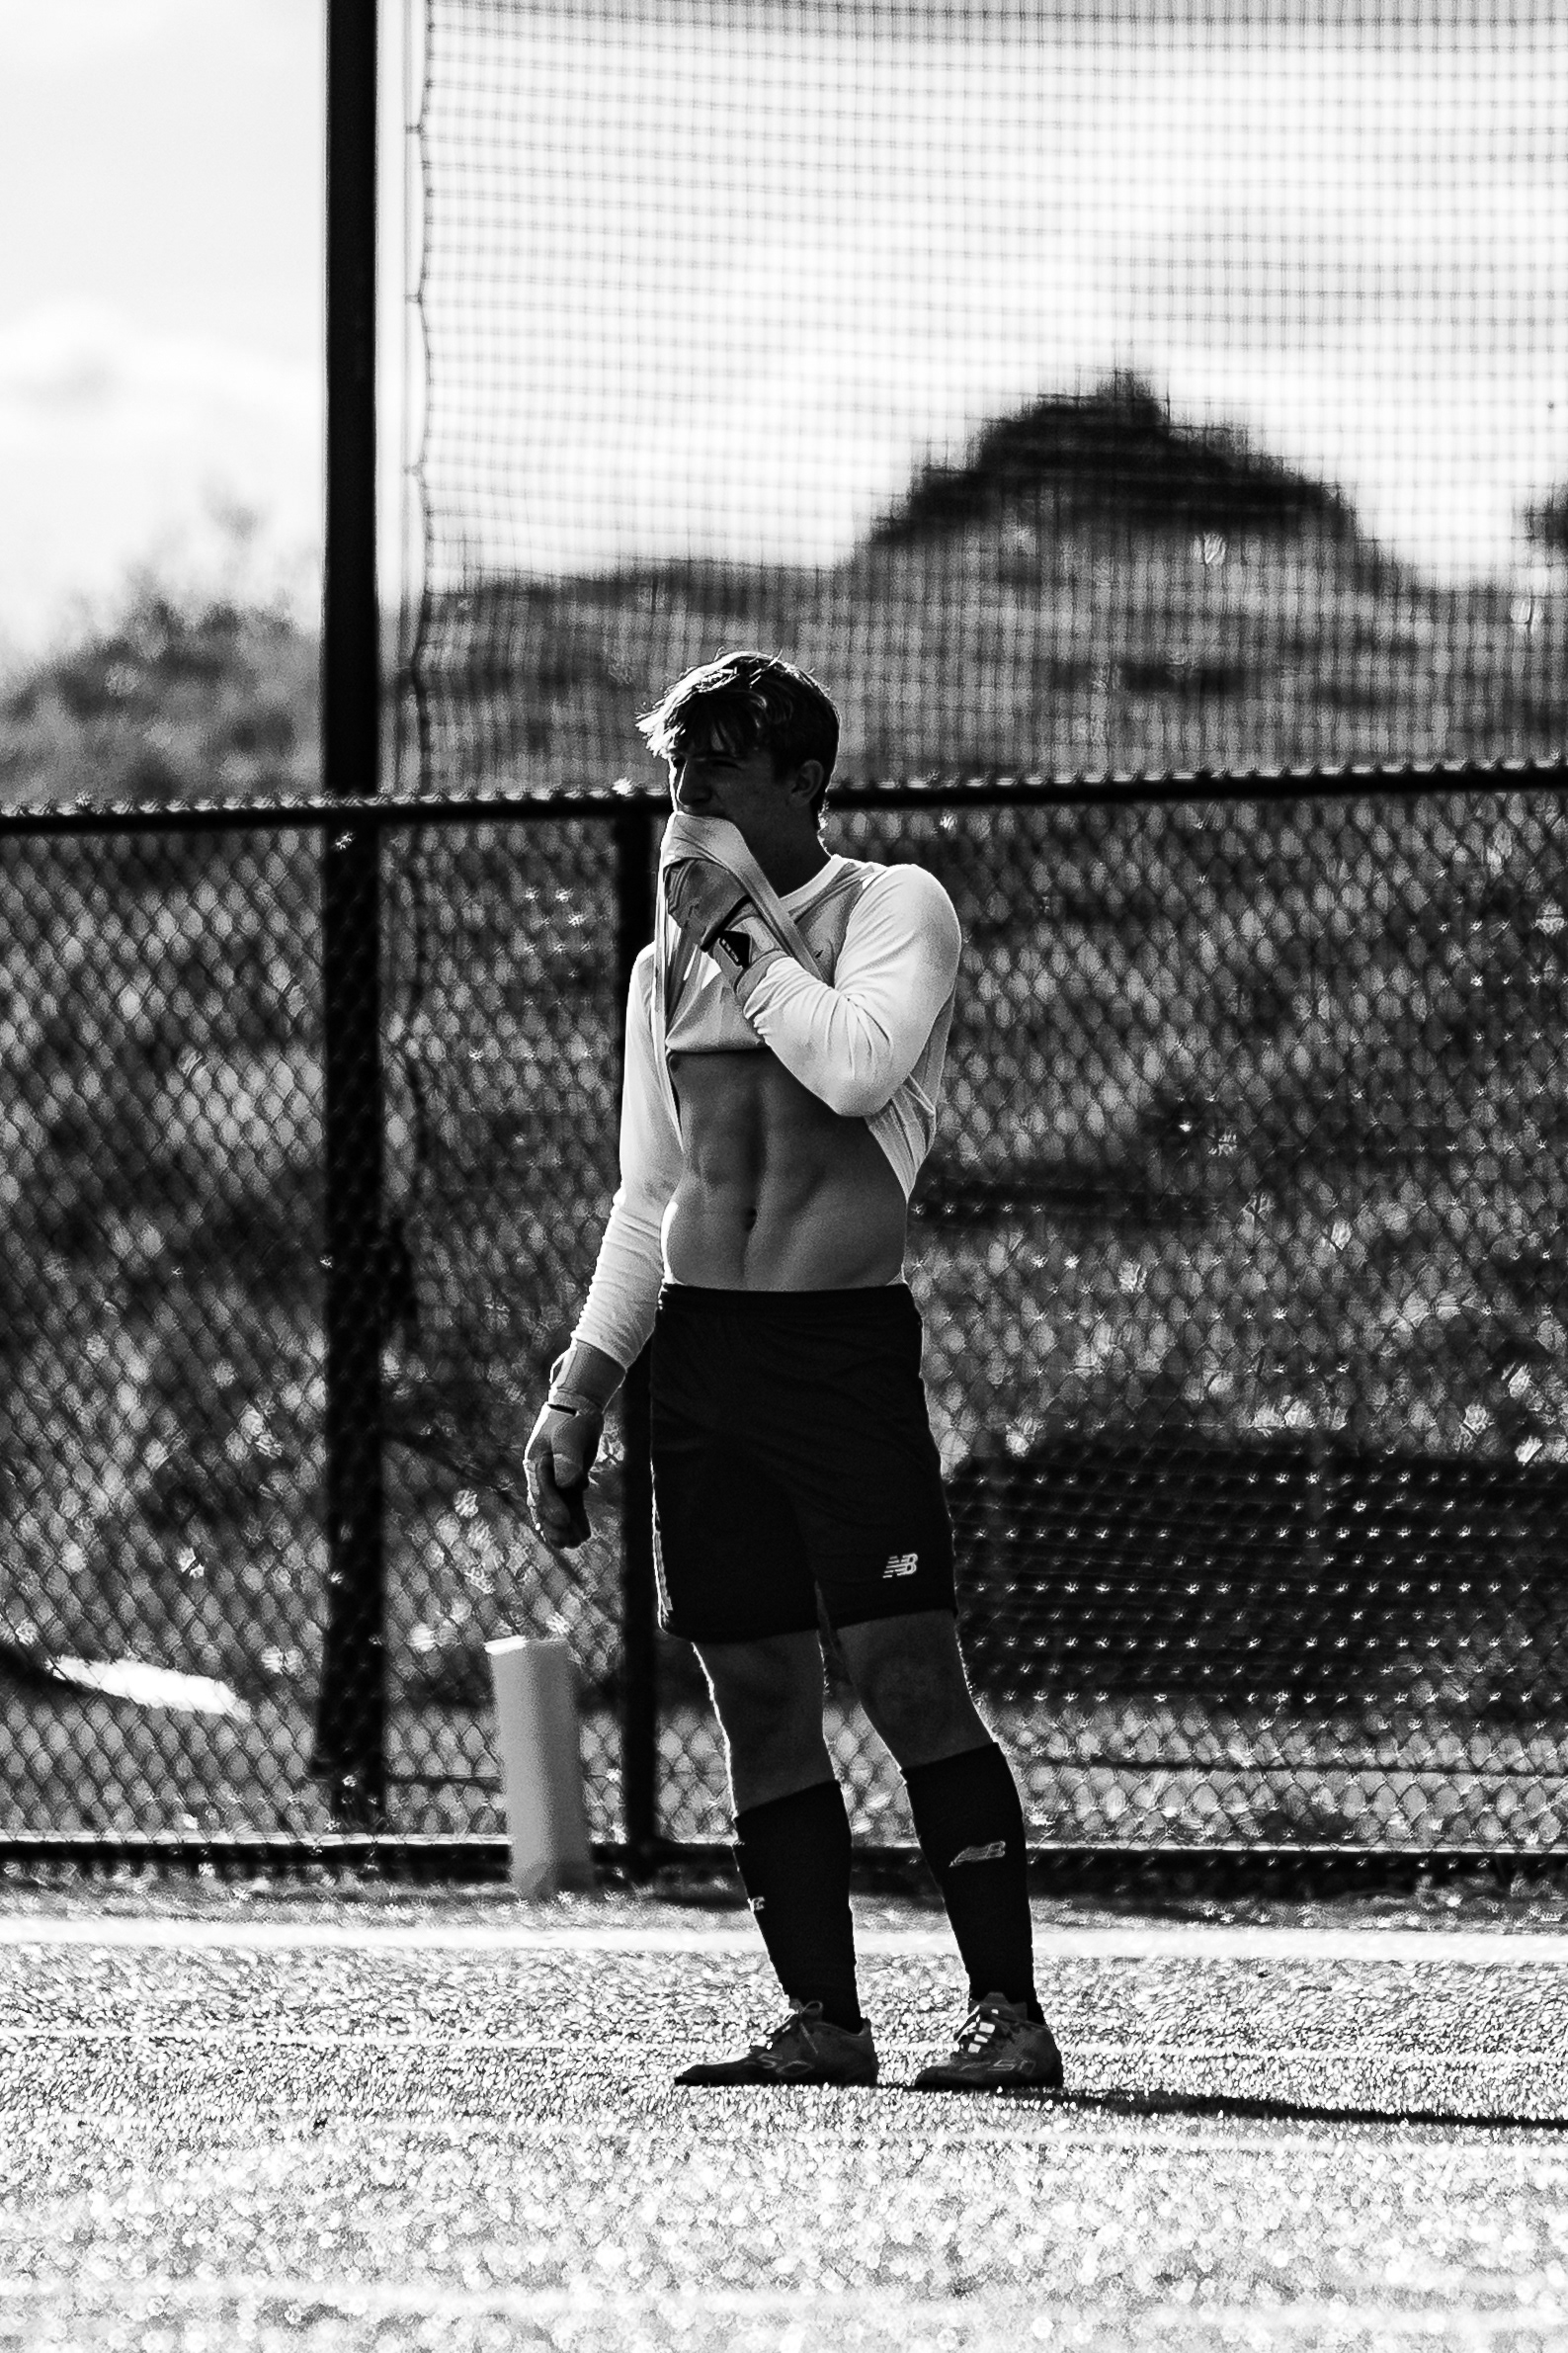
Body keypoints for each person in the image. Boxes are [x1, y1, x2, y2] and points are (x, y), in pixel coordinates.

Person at [523, 649, 1061, 2092]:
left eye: (717, 770)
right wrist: (580, 1390)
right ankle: (825, 2018)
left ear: (804, 778)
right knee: (756, 1694)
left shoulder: (892, 906)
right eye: (676, 773)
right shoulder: (664, 966)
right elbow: (650, 1195)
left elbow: (857, 1069)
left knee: (906, 1677)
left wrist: (746, 940)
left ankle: (1006, 2015)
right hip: (703, 1360)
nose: (686, 799)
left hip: (837, 1352)